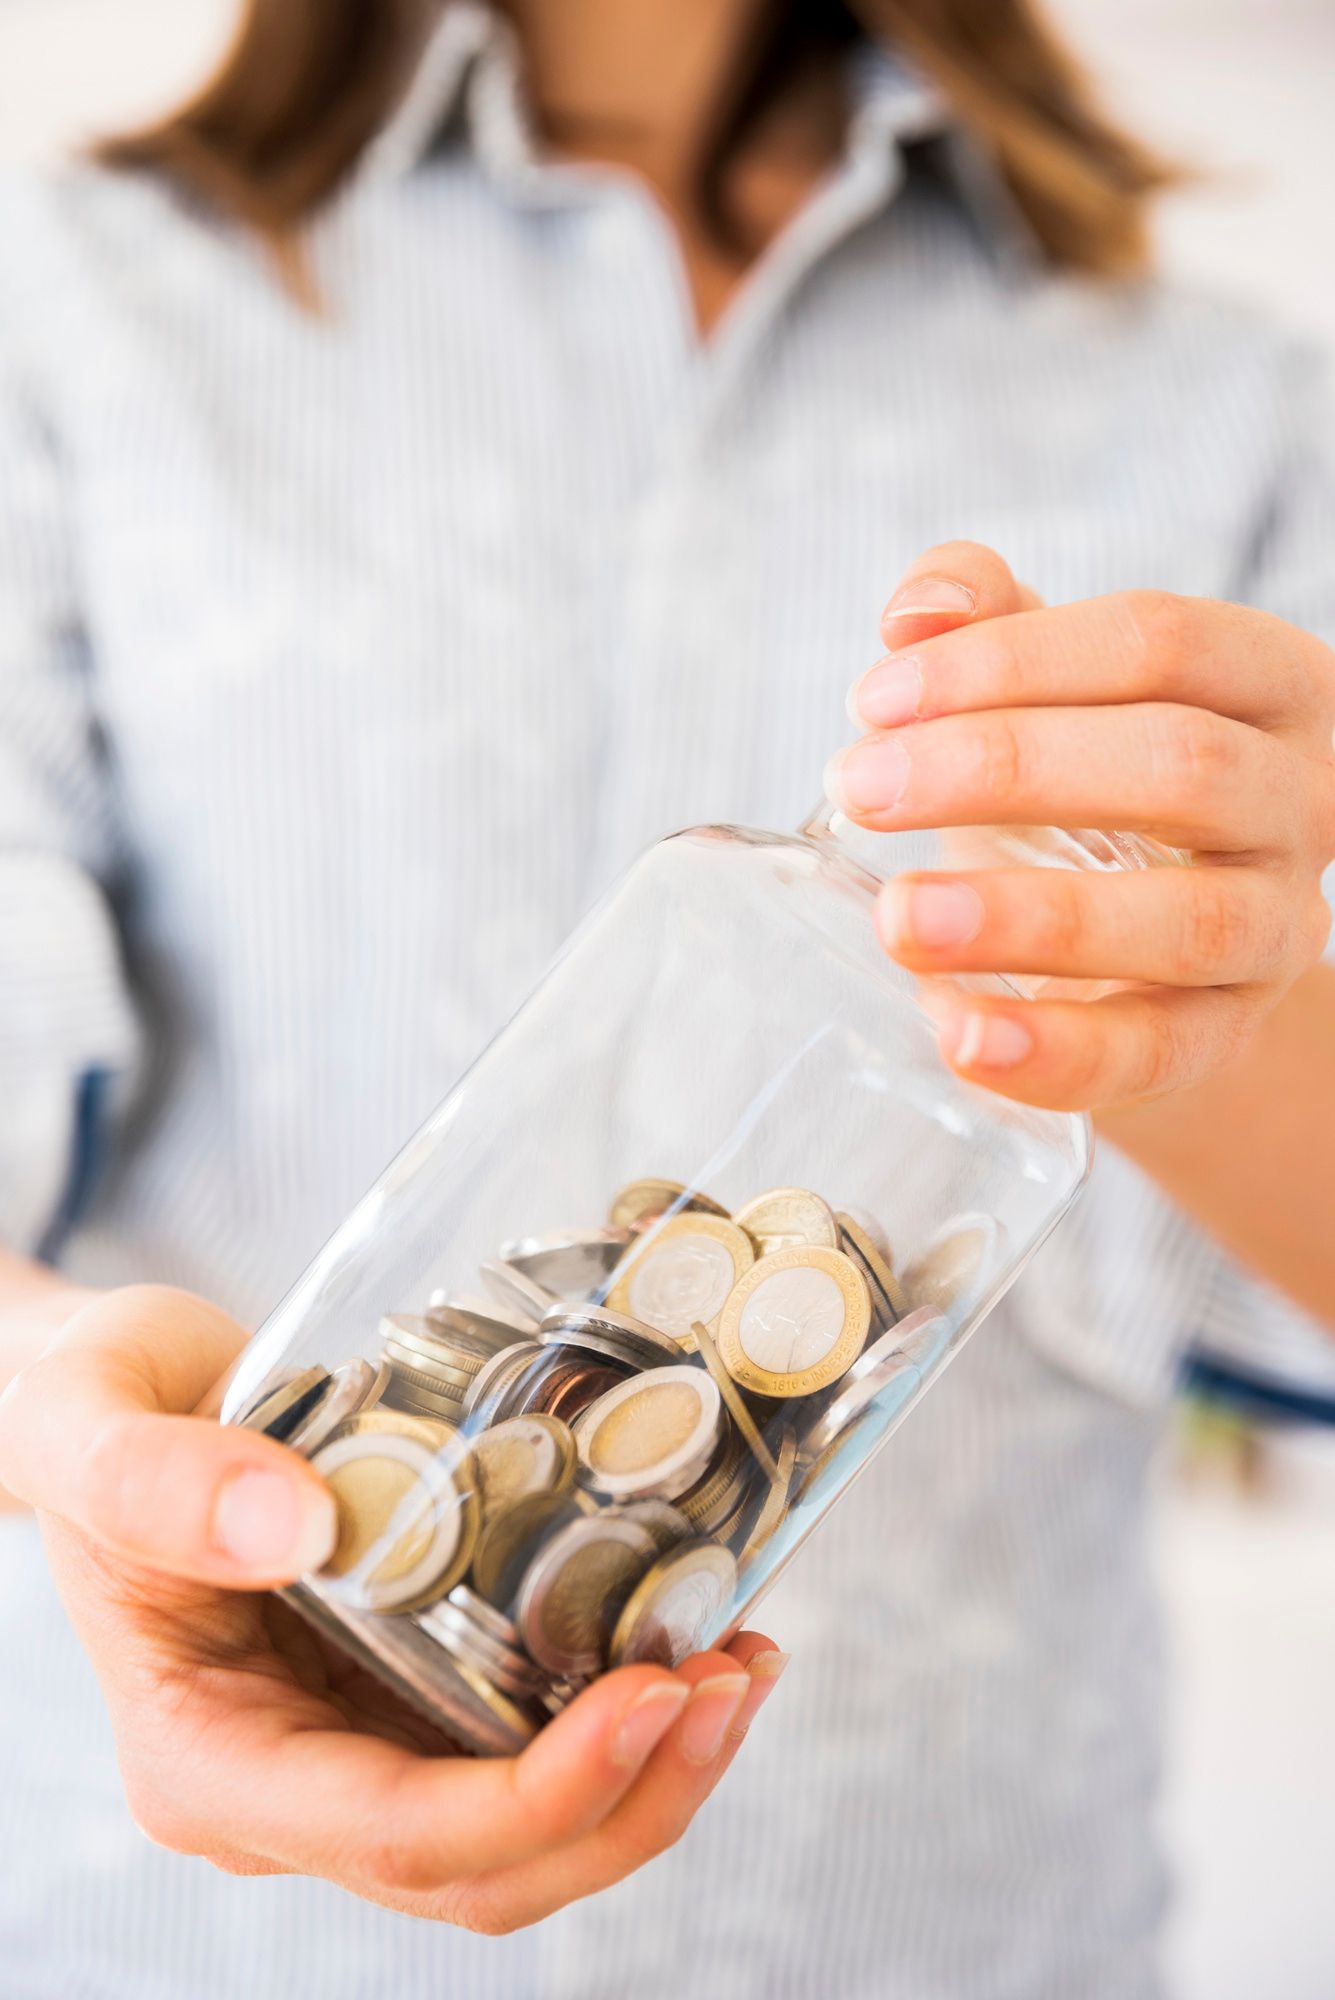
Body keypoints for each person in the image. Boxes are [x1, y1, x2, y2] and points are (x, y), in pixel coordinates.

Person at [1, 0, 1333, 1994]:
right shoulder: (78, 302)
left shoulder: (1226, 399)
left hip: (947, 1928)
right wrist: (64, 1416)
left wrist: (1194, 1003)